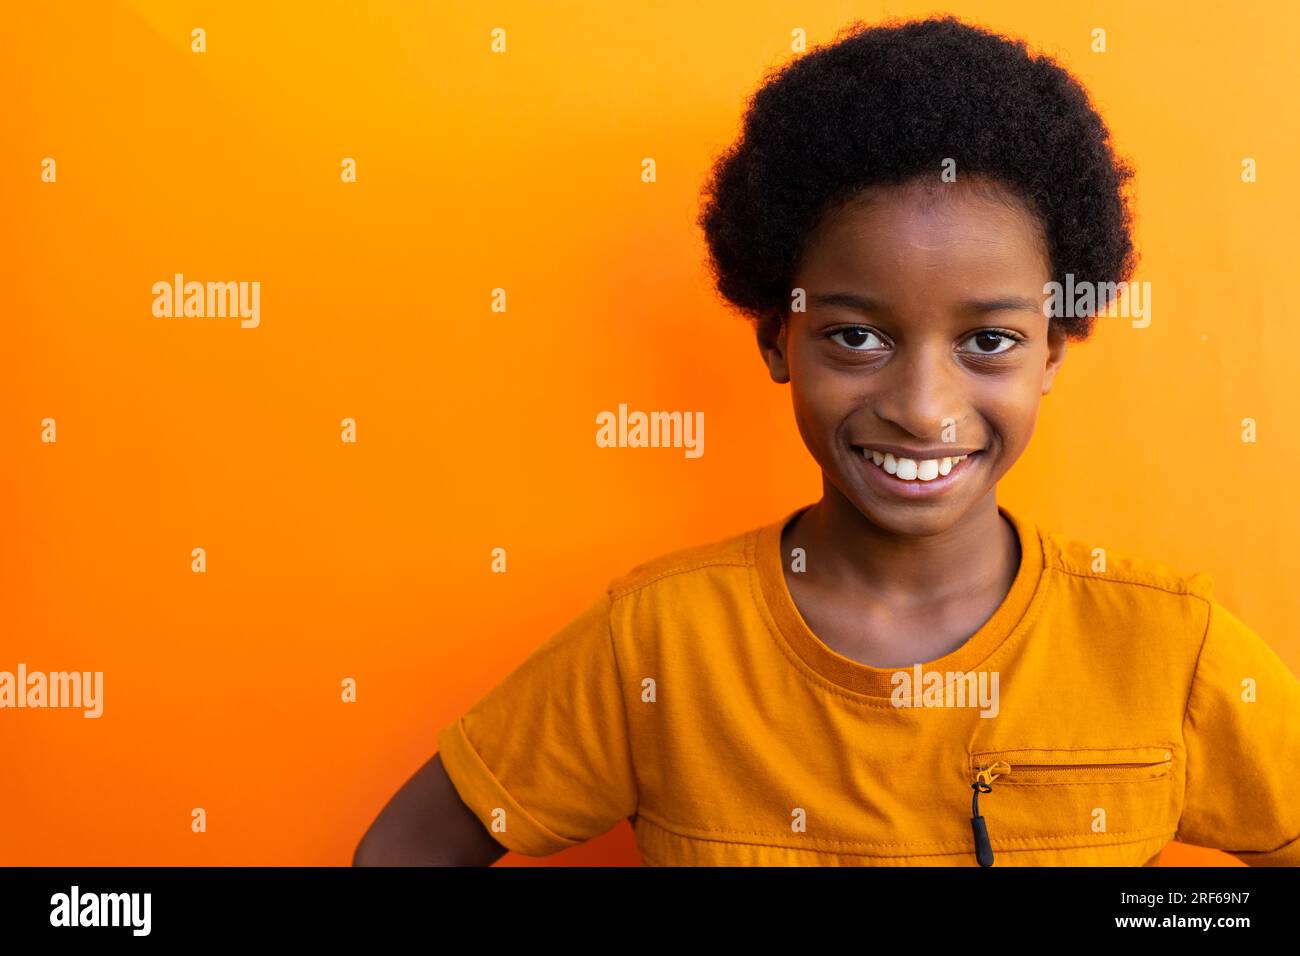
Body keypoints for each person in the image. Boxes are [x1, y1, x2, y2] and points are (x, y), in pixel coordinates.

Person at [354, 15, 1300, 866]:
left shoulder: (1169, 645)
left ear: (1051, 348)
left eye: (989, 341)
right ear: (777, 336)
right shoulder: (657, 647)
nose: (924, 408)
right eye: (857, 336)